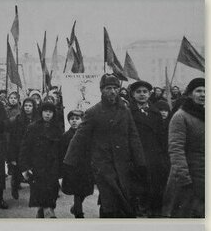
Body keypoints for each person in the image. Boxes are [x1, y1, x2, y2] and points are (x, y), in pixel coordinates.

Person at [63, 74, 145, 218]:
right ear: (102, 90)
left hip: (123, 163)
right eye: (108, 88)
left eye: (115, 88)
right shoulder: (93, 112)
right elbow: (79, 138)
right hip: (103, 164)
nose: (112, 91)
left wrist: (140, 162)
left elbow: (134, 137)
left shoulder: (125, 111)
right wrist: (69, 162)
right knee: (111, 199)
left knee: (122, 198)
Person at [162, 77, 204, 218]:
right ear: (190, 94)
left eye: (206, 91)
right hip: (188, 179)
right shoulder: (180, 116)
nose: (203, 94)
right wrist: (184, 178)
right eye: (198, 91)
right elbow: (176, 149)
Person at [128, 80, 169, 217]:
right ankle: (140, 208)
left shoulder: (155, 112)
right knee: (139, 183)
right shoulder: (128, 112)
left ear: (150, 94)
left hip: (155, 154)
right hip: (137, 154)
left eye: (145, 92)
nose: (142, 94)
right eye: (138, 92)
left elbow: (161, 136)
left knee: (155, 182)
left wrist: (162, 155)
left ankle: (153, 209)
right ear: (133, 94)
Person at [20, 101, 62, 218]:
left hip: (53, 167)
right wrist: (25, 167)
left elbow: (61, 150)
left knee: (52, 192)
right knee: (40, 192)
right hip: (37, 167)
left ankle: (46, 211)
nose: (48, 114)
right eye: (45, 111)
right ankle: (47, 212)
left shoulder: (58, 128)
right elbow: (25, 148)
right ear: (41, 112)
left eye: (50, 112)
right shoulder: (33, 127)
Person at [8, 97, 37, 200]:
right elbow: (12, 139)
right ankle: (14, 187)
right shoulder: (17, 120)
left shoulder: (37, 119)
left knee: (32, 172)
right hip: (19, 149)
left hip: (33, 150)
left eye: (30, 106)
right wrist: (12, 157)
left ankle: (34, 194)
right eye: (25, 105)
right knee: (17, 171)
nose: (27, 108)